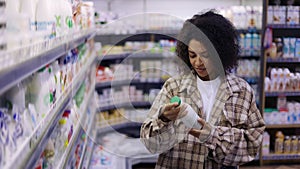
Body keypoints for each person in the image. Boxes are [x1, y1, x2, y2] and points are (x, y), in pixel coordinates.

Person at [140, 10, 265, 169]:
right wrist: (163, 118)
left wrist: (213, 136)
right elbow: (149, 143)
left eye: (205, 55)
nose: (198, 63)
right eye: (192, 55)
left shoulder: (241, 92)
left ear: (221, 53)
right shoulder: (174, 87)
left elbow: (253, 144)